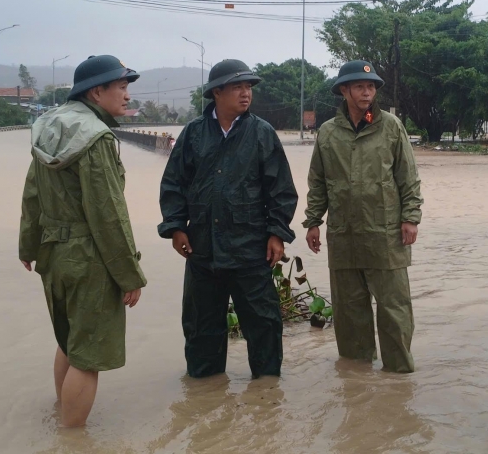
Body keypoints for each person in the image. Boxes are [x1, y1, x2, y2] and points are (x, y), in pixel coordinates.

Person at [18, 55, 148, 428]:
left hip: (53, 253)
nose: (127, 95)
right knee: (88, 356)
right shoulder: (95, 137)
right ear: (96, 92)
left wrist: (28, 245)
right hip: (89, 257)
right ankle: (72, 441)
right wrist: (129, 274)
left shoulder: (49, 126)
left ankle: (63, 419)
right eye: (121, 87)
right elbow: (108, 215)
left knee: (70, 341)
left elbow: (32, 193)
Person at [158, 59, 298, 379]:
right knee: (201, 328)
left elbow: (281, 190)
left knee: (263, 325)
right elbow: (174, 184)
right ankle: (205, 395)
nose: (246, 93)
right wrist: (176, 228)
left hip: (251, 250)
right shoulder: (193, 134)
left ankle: (266, 394)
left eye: (248, 87)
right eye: (237, 87)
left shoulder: (261, 133)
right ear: (217, 93)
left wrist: (277, 233)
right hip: (202, 250)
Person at [303, 60, 423, 373]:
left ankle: (398, 375)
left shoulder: (391, 127)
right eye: (359, 87)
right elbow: (318, 182)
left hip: (385, 234)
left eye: (371, 87)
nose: (367, 92)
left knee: (394, 308)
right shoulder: (328, 133)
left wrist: (410, 217)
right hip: (343, 235)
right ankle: (357, 378)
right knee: (349, 311)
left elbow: (408, 177)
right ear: (344, 91)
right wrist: (313, 221)